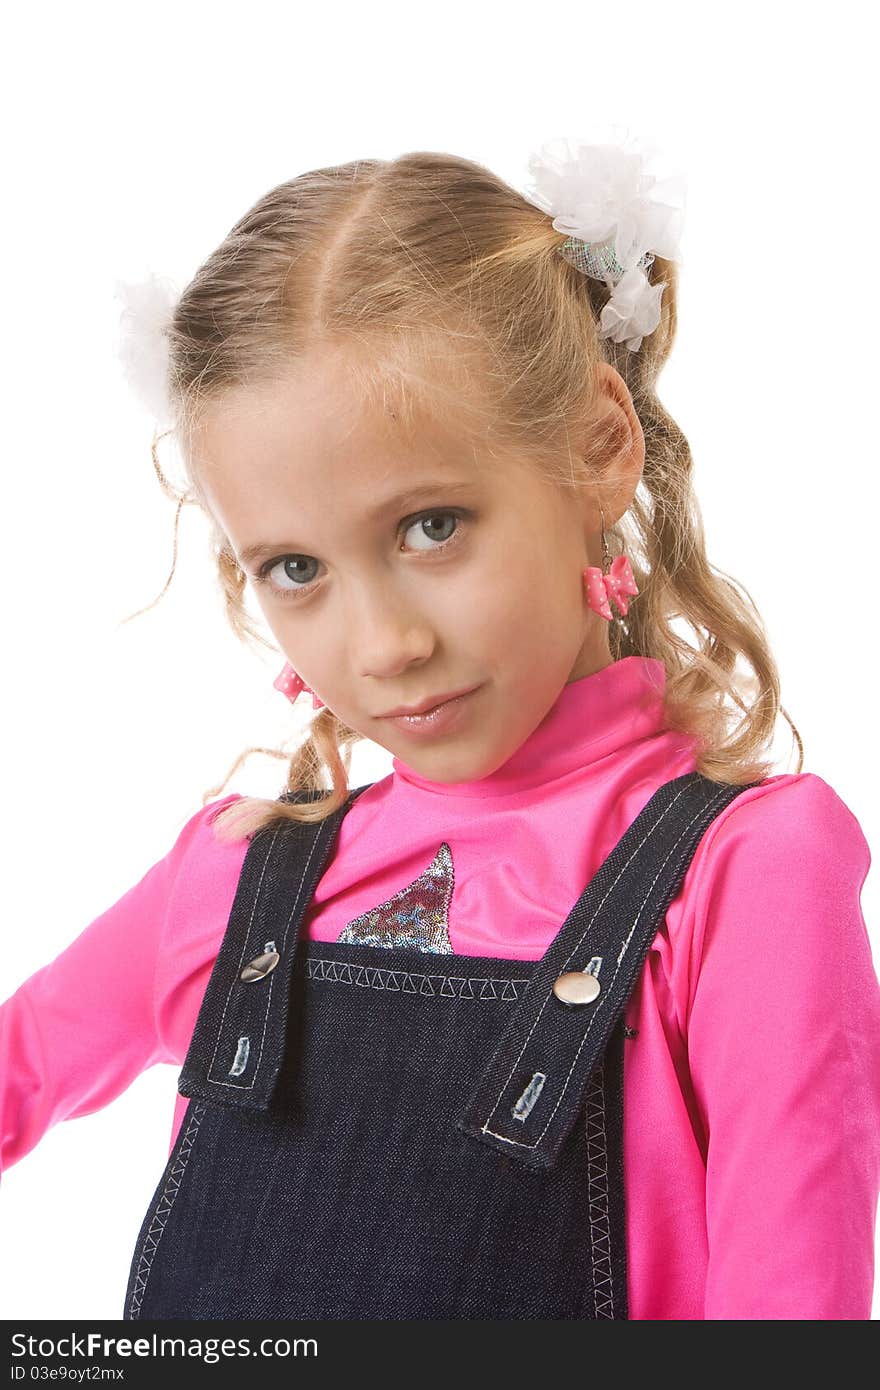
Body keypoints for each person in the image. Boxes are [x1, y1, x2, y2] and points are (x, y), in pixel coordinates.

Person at [2, 129, 879, 1322]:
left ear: (600, 449)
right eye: (297, 566)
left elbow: (792, 1308)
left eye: (430, 527)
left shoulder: (741, 873)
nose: (383, 646)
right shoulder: (235, 872)